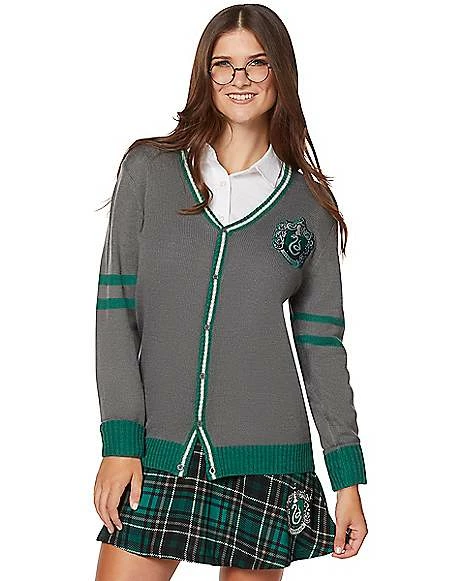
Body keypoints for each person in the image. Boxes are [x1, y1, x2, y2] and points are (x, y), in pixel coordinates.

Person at [93, 4, 368, 580]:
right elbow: (116, 312)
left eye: (257, 63)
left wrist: (347, 478)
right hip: (161, 448)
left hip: (269, 459)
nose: (240, 79)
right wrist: (119, 441)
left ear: (280, 73)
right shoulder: (149, 169)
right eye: (224, 64)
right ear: (206, 73)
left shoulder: (308, 204)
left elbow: (322, 346)